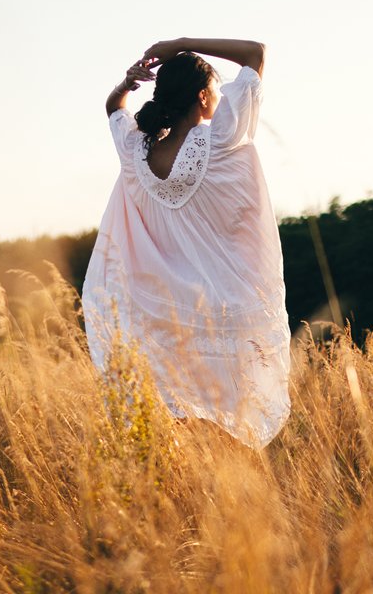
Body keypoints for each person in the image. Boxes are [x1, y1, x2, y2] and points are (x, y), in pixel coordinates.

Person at [81, 37, 291, 449]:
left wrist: (127, 82)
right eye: (216, 87)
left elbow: (113, 109)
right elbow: (256, 53)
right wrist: (181, 44)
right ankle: (233, 500)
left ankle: (189, 495)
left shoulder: (136, 151)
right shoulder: (221, 138)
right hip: (221, 307)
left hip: (162, 312)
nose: (219, 94)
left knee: (178, 420)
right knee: (235, 423)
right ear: (202, 95)